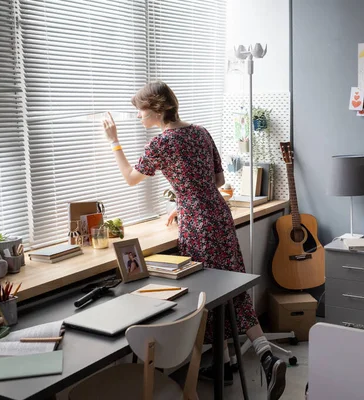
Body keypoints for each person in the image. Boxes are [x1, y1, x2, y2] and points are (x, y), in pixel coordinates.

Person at [102, 81, 286, 399]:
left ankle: (247, 360)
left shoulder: (162, 143)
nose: (138, 117)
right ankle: (247, 359)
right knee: (231, 288)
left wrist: (114, 142)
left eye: (140, 111)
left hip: (198, 225)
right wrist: (184, 200)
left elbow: (131, 179)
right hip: (219, 214)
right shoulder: (200, 131)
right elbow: (217, 179)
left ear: (157, 108)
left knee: (207, 294)